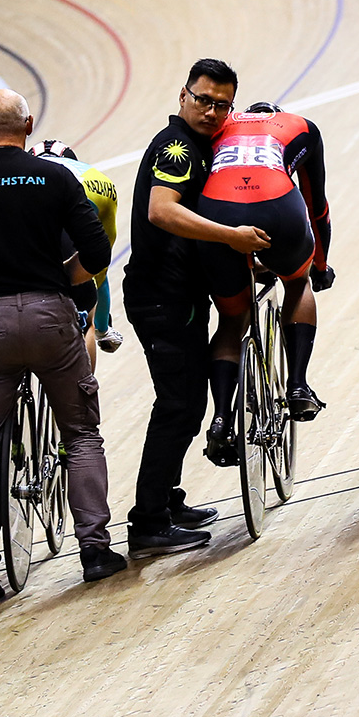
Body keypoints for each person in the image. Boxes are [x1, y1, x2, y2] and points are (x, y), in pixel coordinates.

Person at [0, 89, 125, 606]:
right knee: (80, 433)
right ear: (30, 124)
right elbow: (99, 251)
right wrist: (59, 281)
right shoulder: (55, 175)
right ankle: (95, 551)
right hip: (52, 315)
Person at [118, 59, 257, 552]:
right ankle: (148, 524)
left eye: (223, 104)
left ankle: (166, 499)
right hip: (161, 296)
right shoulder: (177, 148)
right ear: (183, 96)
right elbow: (162, 210)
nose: (213, 111)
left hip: (178, 294)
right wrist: (233, 237)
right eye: (203, 100)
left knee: (186, 403)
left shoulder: (199, 146)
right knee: (179, 405)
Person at [199, 99, 333, 465]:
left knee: (231, 320)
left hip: (218, 214)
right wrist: (320, 266)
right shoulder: (298, 125)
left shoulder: (218, 125)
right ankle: (298, 385)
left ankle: (222, 417)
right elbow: (315, 203)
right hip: (277, 207)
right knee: (297, 283)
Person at [26, 139, 124, 357]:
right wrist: (102, 328)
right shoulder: (91, 174)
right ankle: (85, 386)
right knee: (94, 274)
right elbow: (99, 267)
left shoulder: (24, 175)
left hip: (36, 212)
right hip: (99, 194)